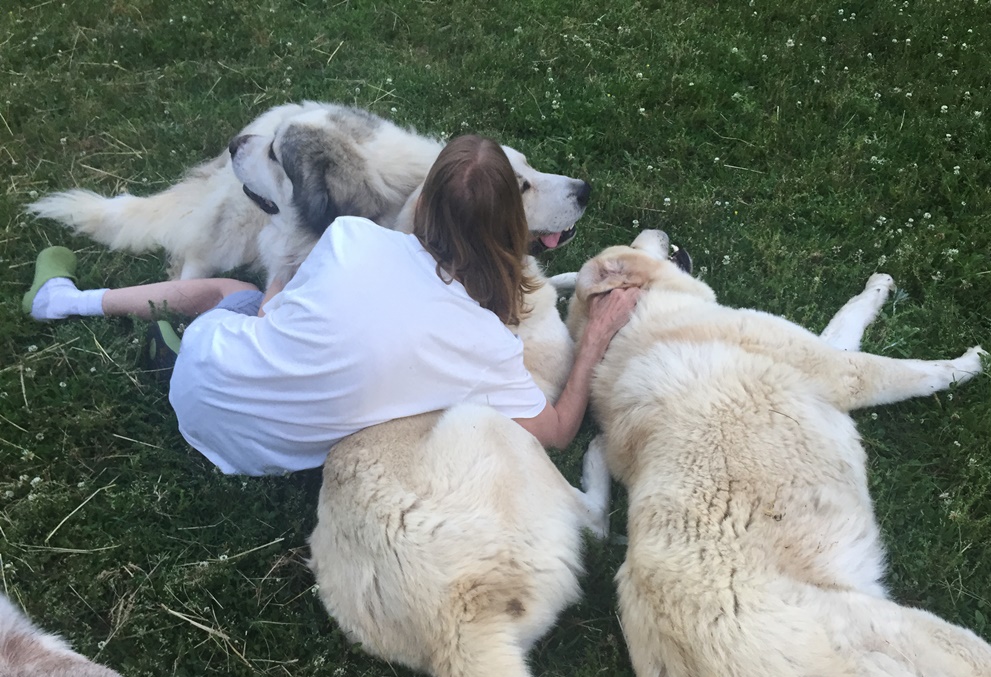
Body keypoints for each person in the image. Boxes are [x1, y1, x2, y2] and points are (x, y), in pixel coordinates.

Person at [23, 135, 638, 475]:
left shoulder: (352, 239)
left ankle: (66, 301)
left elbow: (272, 313)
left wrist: (289, 284)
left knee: (233, 296)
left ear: (422, 204)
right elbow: (557, 432)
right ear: (510, 229)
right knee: (234, 299)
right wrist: (597, 336)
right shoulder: (484, 344)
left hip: (209, 391)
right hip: (259, 457)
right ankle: (161, 344)